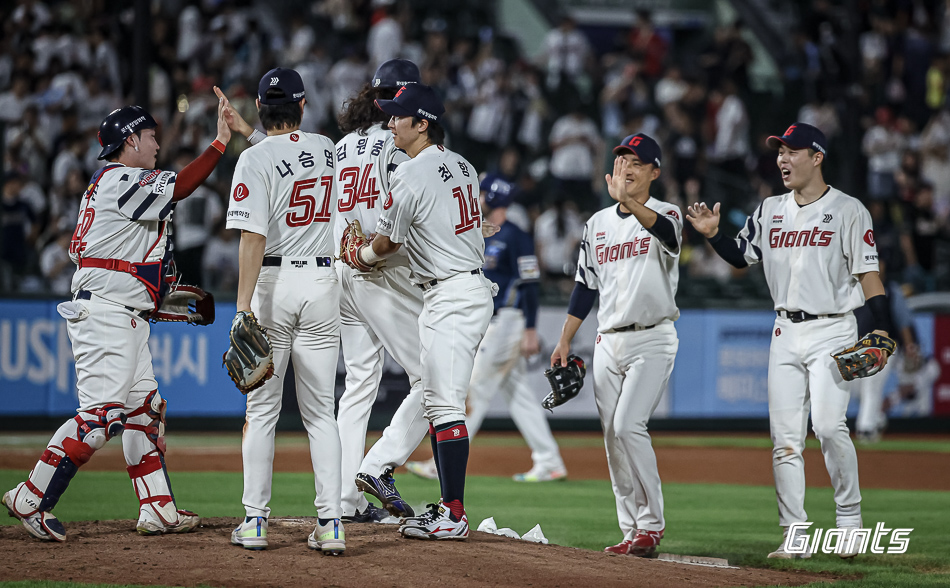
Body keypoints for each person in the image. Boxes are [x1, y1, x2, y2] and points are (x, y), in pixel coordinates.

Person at [2, 99, 233, 541]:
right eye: (150, 136)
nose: (158, 144)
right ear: (130, 140)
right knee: (100, 417)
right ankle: (30, 496)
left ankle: (157, 510)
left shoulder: (114, 185)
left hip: (118, 312)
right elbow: (183, 185)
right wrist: (220, 142)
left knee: (144, 412)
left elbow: (122, 268)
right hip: (106, 315)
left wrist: (172, 306)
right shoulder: (119, 178)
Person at [686, 122, 895, 559]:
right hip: (784, 331)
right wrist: (713, 236)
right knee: (785, 440)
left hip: (833, 328)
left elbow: (869, 275)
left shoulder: (849, 209)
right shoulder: (769, 209)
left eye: (792, 151)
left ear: (817, 158)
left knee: (829, 426)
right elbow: (741, 256)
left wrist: (881, 325)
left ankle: (850, 522)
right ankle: (795, 534)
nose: (782, 158)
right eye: (779, 151)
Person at [343, 83, 494, 540]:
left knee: (445, 404)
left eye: (397, 117)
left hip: (452, 293)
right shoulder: (461, 164)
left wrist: (361, 256)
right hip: (455, 288)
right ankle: (395, 477)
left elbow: (387, 243)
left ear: (422, 123)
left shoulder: (410, 173)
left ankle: (453, 515)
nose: (389, 123)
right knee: (434, 397)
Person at [219, 68, 345, 554]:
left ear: (258, 107)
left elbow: (253, 236)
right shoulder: (327, 150)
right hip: (321, 282)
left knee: (262, 410)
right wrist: (249, 133)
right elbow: (289, 155)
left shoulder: (252, 160)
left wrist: (242, 306)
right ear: (303, 105)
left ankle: (255, 522)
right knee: (321, 414)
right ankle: (332, 523)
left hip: (273, 283)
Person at [551, 133, 682, 558]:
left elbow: (667, 235)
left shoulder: (668, 213)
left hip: (653, 337)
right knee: (612, 436)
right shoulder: (597, 224)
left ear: (654, 172)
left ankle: (652, 524)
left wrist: (629, 203)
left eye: (637, 162)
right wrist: (565, 339)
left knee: (629, 425)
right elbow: (584, 288)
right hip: (608, 340)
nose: (627, 166)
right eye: (622, 158)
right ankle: (631, 529)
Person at [406, 174, 567, 483]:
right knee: (517, 392)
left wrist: (531, 329)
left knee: (473, 388)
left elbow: (531, 284)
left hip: (507, 321)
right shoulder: (478, 233)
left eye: (480, 193)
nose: (476, 198)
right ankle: (549, 460)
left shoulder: (516, 235)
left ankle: (442, 463)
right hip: (489, 321)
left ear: (491, 198)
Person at [333, 58, 427, 523]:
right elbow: (406, 217)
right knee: (435, 381)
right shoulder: (398, 146)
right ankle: (378, 467)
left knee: (357, 389)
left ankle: (346, 502)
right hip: (377, 269)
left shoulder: (343, 145)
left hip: (341, 274)